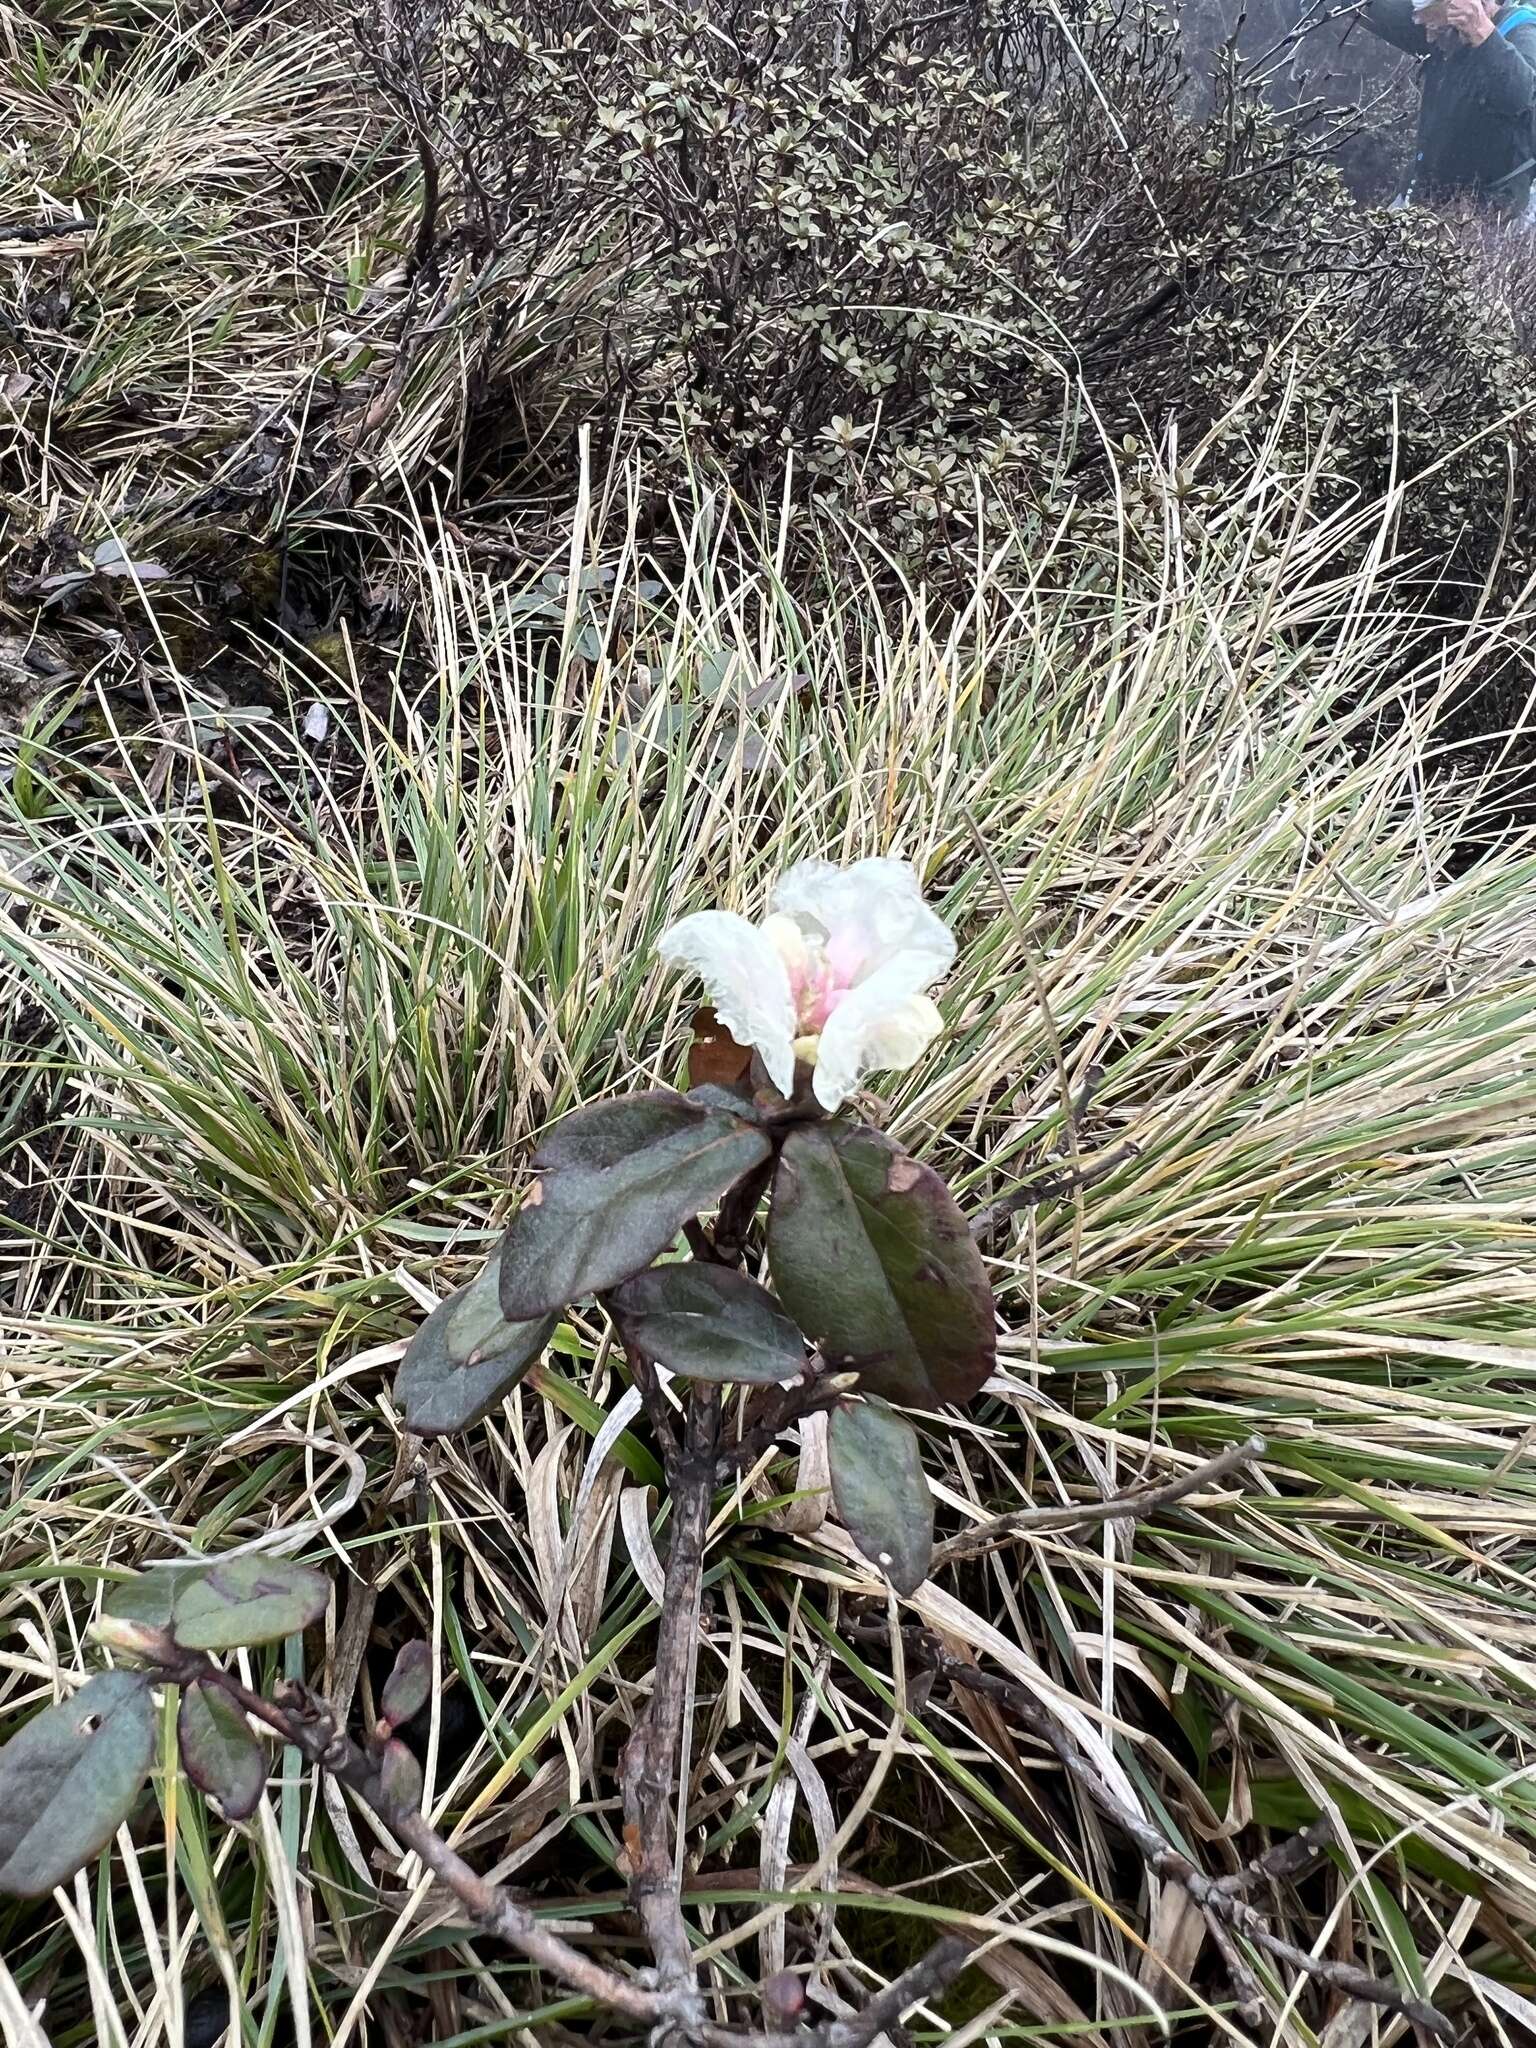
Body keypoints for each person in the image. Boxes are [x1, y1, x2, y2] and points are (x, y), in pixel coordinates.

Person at [1363, 0, 1536, 217]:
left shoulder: (1523, 31)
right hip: (1422, 192)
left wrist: (1481, 33)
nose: (1425, 30)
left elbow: (1521, 98)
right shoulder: (1445, 31)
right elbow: (1381, 11)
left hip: (1482, 214)